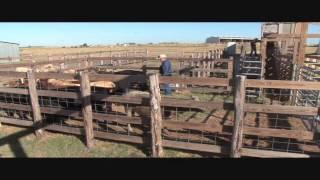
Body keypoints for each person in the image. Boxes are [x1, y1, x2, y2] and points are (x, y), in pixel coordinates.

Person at [158, 54, 173, 119]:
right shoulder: (167, 62)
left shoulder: (165, 63)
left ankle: (168, 95)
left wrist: (162, 76)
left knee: (167, 86)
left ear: (163, 58)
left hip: (166, 76)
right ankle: (168, 94)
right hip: (167, 75)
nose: (160, 59)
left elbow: (165, 71)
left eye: (160, 58)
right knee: (167, 85)